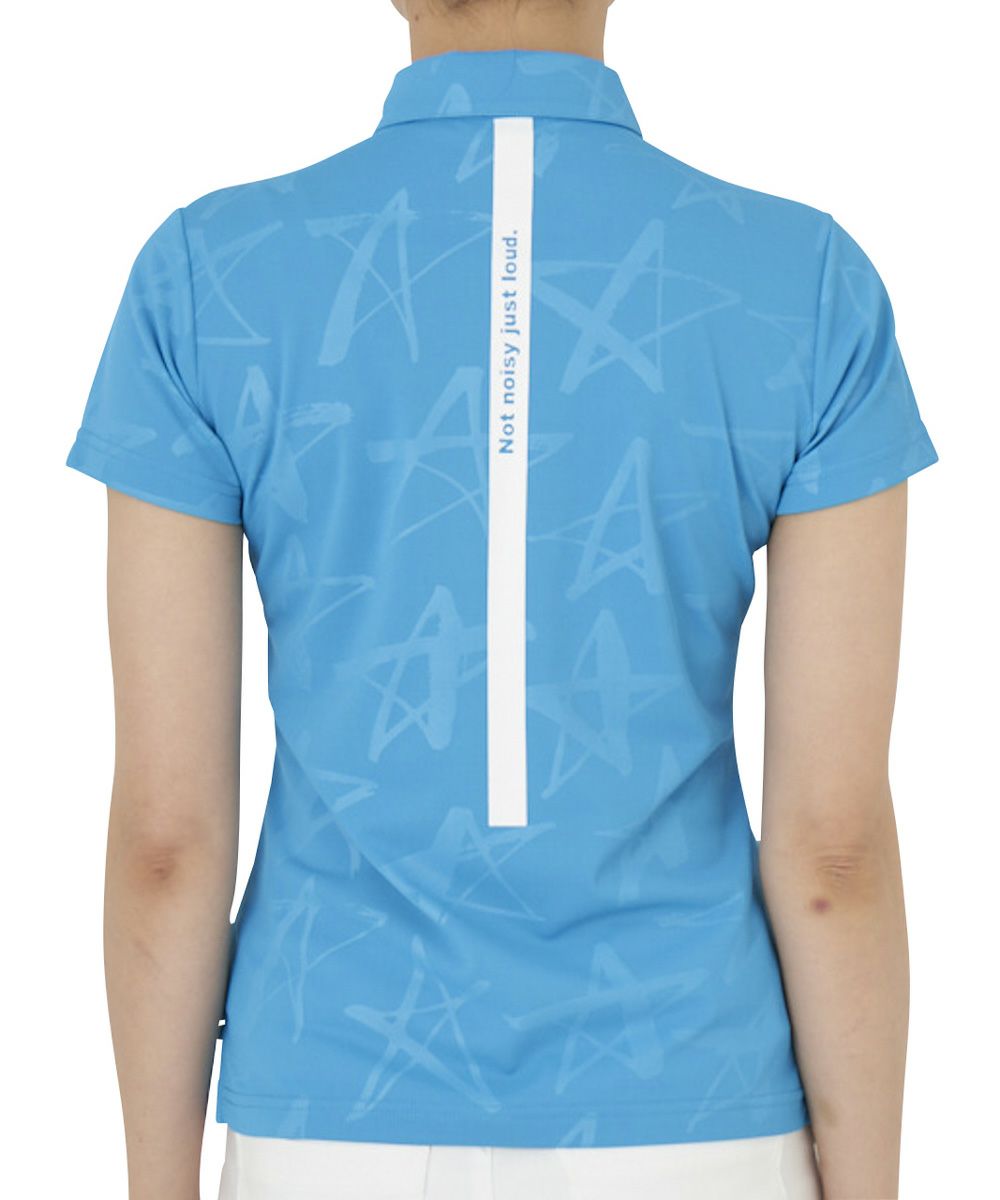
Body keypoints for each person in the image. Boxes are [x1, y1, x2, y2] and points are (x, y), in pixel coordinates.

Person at [63, 0, 939, 1196]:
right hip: (695, 1115)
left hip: (331, 1120)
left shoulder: (204, 278)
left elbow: (167, 842)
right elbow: (833, 851)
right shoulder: (808, 285)